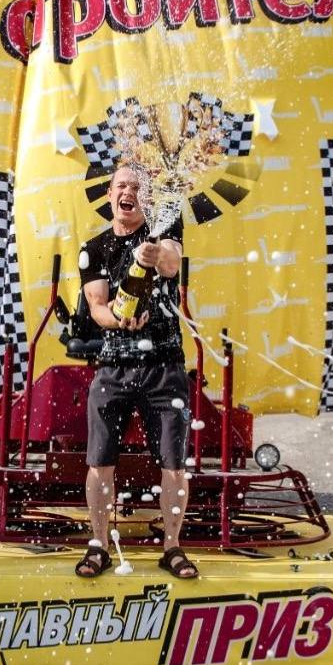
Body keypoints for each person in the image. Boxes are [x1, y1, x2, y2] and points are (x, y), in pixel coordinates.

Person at [76, 165, 197, 580]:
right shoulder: (94, 248)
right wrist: (117, 318)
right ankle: (98, 545)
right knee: (99, 462)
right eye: (122, 186)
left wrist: (153, 254)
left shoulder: (164, 230)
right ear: (110, 195)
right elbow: (97, 308)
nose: (128, 192)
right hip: (113, 367)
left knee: (174, 464)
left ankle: (172, 548)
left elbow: (171, 263)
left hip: (165, 365)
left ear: (147, 198)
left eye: (137, 187)